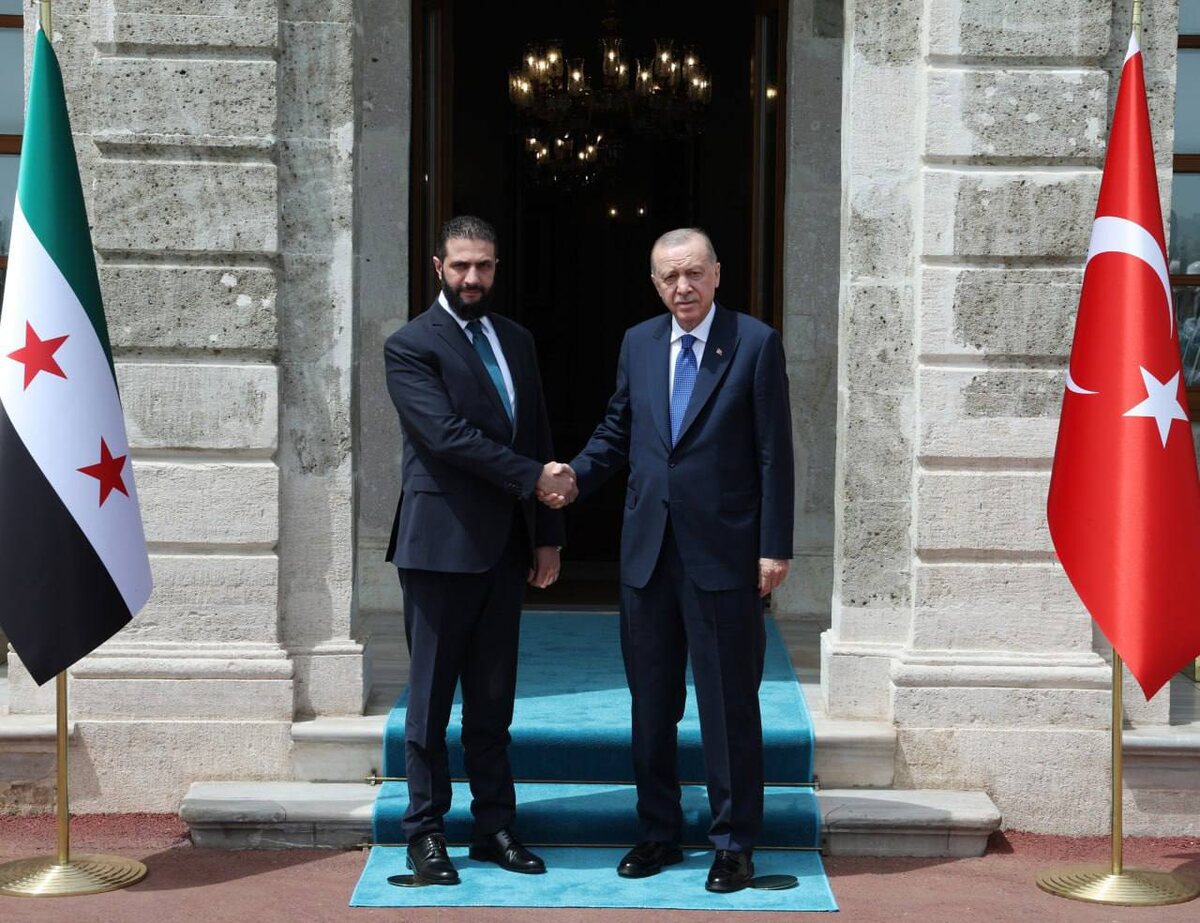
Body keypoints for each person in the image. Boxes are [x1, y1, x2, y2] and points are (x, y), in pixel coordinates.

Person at [542, 227, 794, 893]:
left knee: (728, 704)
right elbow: (617, 429)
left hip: (724, 555)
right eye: (669, 277)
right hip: (647, 555)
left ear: (717, 274)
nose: (683, 287)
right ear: (655, 285)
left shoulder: (754, 343)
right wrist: (574, 476)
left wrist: (774, 545)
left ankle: (734, 843)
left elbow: (775, 452)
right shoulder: (639, 342)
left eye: (693, 273)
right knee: (651, 703)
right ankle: (658, 830)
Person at [384, 215, 575, 885]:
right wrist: (534, 477)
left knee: (494, 704)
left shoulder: (515, 339)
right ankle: (425, 832)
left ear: (496, 267)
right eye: (461, 265)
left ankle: (495, 826)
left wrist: (546, 534)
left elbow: (537, 430)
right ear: (438, 266)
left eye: (484, 265)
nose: (473, 277)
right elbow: (444, 435)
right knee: (430, 705)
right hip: (438, 548)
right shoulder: (411, 345)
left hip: (505, 549)